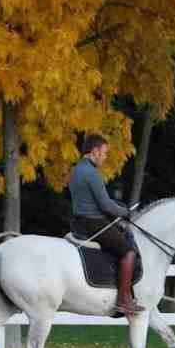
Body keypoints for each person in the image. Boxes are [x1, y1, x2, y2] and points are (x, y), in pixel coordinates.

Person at [67, 134, 144, 314]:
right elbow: (106, 205)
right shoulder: (92, 173)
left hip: (79, 222)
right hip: (94, 223)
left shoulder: (75, 170)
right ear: (94, 151)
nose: (105, 157)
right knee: (128, 251)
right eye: (104, 153)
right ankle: (124, 300)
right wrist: (127, 212)